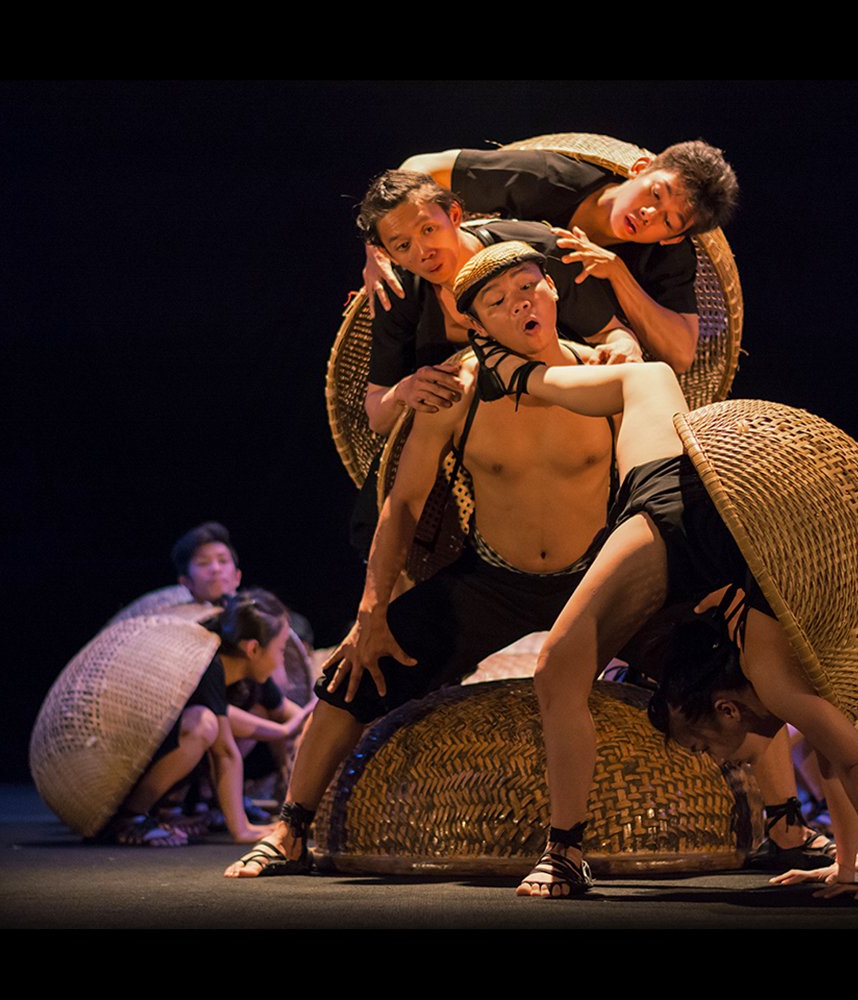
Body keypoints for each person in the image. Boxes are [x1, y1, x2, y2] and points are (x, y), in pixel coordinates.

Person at [450, 242, 858, 899]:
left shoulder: (775, 684)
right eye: (704, 747)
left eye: (701, 747)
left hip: (680, 510)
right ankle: (519, 375)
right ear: (723, 704)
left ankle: (564, 851)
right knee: (647, 378)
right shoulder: (775, 683)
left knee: (647, 380)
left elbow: (848, 761)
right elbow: (847, 761)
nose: (715, 760)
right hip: (684, 511)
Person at [224, 242, 620, 879]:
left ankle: (784, 822)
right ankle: (291, 826)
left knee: (728, 652)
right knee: (352, 673)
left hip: (597, 576)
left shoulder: (606, 374)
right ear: (476, 323)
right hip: (496, 578)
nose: (520, 303)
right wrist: (371, 609)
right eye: (497, 300)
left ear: (552, 290)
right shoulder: (456, 390)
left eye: (528, 286)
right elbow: (403, 505)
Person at [366, 140, 740, 374]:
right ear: (640, 170)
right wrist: (377, 245)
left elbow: (680, 354)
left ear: (674, 238)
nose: (649, 215)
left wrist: (617, 274)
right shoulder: (552, 179)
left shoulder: (669, 259)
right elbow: (419, 168)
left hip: (577, 354)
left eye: (669, 220)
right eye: (655, 194)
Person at [356, 169, 641, 437]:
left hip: (576, 414)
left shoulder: (537, 252)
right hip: (479, 440)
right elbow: (377, 415)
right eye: (403, 246)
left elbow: (611, 333)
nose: (423, 252)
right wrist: (404, 391)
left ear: (454, 214)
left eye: (428, 229)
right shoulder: (397, 293)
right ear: (389, 255)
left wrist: (624, 346)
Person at [97, 590, 303, 846]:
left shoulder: (245, 675)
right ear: (253, 648)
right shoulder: (209, 666)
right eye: (281, 649)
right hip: (126, 767)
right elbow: (225, 753)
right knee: (203, 723)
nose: (282, 658)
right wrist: (243, 831)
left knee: (225, 720)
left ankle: (193, 808)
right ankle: (130, 818)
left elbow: (288, 712)